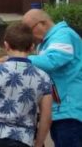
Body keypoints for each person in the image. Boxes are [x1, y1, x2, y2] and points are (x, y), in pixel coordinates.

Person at [0, 22, 52, 147]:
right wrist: (38, 143)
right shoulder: (43, 77)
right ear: (32, 47)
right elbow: (46, 117)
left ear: (6, 45)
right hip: (23, 139)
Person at [22, 9, 82, 146]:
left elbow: (52, 61)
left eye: (29, 31)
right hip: (61, 110)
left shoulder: (63, 35)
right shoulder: (47, 42)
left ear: (42, 24)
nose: (29, 37)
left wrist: (20, 58)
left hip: (69, 110)